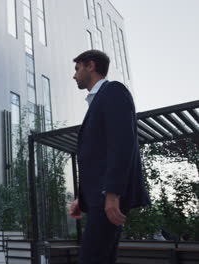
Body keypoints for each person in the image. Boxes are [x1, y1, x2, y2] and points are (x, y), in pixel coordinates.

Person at [69, 50, 150, 264]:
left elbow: (122, 143)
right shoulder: (99, 99)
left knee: (91, 258)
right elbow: (99, 155)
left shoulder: (113, 91)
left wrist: (112, 193)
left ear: (91, 66)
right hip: (100, 197)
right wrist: (83, 198)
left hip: (108, 197)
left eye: (77, 69)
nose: (74, 75)